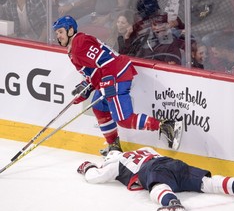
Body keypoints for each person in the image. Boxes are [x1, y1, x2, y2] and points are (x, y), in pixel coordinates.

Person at [52, 15, 183, 155]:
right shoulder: (73, 49)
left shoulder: (80, 43)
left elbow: (106, 60)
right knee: (99, 107)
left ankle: (167, 125)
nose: (58, 36)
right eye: (57, 33)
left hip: (116, 75)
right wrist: (86, 86)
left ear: (70, 30)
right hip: (110, 76)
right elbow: (95, 69)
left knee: (124, 120)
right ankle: (114, 146)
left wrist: (108, 83)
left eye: (60, 31)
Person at [77, 147, 234, 211]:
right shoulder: (144, 149)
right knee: (209, 183)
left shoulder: (115, 164)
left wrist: (88, 166)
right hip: (172, 163)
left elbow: (95, 178)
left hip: (155, 169)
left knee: (157, 187)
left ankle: (172, 204)